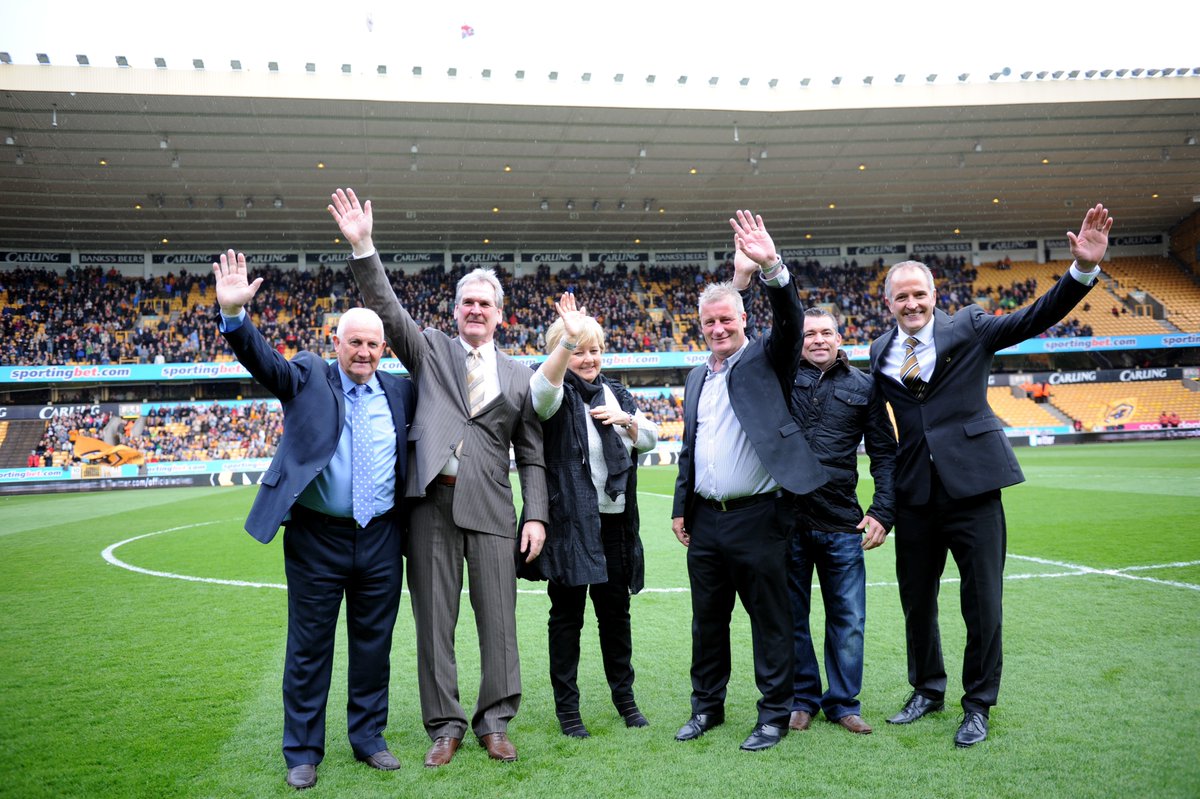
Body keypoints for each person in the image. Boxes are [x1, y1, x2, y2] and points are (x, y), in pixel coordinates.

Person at [869, 204, 1112, 748]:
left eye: (919, 294)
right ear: (888, 305)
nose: (911, 303)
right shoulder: (879, 351)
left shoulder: (971, 325)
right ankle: (927, 689)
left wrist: (1081, 273)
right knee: (916, 600)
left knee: (982, 603)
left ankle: (976, 704)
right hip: (915, 496)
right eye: (900, 296)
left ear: (935, 297)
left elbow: (1032, 318)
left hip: (974, 488)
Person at [328, 188, 548, 767]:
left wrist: (537, 516)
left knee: (499, 622)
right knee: (434, 625)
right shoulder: (429, 351)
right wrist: (363, 245)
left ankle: (495, 722)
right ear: (455, 311)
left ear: (500, 314)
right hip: (430, 507)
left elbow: (532, 454)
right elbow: (388, 309)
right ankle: (445, 725)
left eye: (485, 304)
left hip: (495, 510)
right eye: (467, 303)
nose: (475, 311)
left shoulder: (521, 377)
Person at [213, 250, 416, 790]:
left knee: (374, 647)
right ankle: (302, 751)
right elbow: (265, 363)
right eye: (356, 342)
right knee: (309, 648)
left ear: (384, 349)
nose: (365, 352)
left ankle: (369, 738)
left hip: (380, 538)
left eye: (374, 344)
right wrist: (236, 317)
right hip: (316, 539)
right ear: (337, 344)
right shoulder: (306, 375)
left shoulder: (400, 390)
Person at [671, 211, 827, 752]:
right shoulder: (695, 376)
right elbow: (691, 447)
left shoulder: (766, 356)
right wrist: (680, 508)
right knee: (707, 623)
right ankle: (706, 707)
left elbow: (789, 320)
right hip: (708, 520)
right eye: (710, 322)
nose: (719, 329)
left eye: (728, 320)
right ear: (701, 325)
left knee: (770, 622)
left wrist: (770, 268)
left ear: (743, 319)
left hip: (762, 517)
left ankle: (773, 715)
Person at [528, 291, 659, 738]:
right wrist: (567, 339)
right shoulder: (553, 389)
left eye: (594, 349)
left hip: (615, 523)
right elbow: (541, 397)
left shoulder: (616, 392)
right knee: (566, 620)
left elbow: (650, 439)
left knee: (615, 616)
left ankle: (625, 699)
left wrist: (625, 420)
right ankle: (569, 711)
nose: (588, 358)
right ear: (560, 351)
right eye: (578, 350)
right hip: (570, 525)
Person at [785, 308, 896, 736]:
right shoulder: (781, 378)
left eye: (825, 332)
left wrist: (882, 511)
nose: (816, 340)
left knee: (848, 620)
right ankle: (802, 700)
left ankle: (843, 703)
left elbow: (886, 454)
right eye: (809, 333)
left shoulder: (864, 385)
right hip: (788, 522)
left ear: (838, 337)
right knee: (793, 616)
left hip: (842, 523)